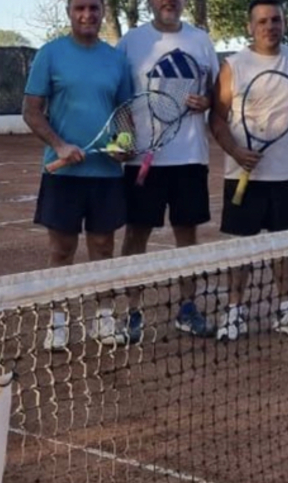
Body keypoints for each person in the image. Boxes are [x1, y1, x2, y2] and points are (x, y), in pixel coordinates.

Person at [22, 0, 134, 350]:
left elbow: (125, 114)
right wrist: (59, 145)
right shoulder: (50, 54)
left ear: (102, 12)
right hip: (63, 174)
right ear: (69, 12)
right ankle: (57, 321)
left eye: (94, 8)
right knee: (61, 250)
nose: (87, 15)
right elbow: (31, 111)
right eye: (80, 8)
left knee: (103, 248)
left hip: (105, 174)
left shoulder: (116, 59)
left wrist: (124, 144)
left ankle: (103, 317)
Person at [209, 0, 288, 341]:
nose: (271, 26)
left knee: (286, 248)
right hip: (242, 173)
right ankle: (235, 311)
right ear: (250, 27)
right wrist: (237, 151)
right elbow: (217, 118)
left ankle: (287, 309)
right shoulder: (233, 66)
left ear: (284, 24)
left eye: (276, 20)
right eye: (263, 21)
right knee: (241, 247)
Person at [115, 0, 220, 340]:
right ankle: (132, 313)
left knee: (187, 236)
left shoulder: (201, 41)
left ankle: (187, 309)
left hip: (189, 158)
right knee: (135, 235)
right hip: (142, 160)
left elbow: (218, 95)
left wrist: (207, 102)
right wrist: (124, 139)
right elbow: (119, 98)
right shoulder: (130, 42)